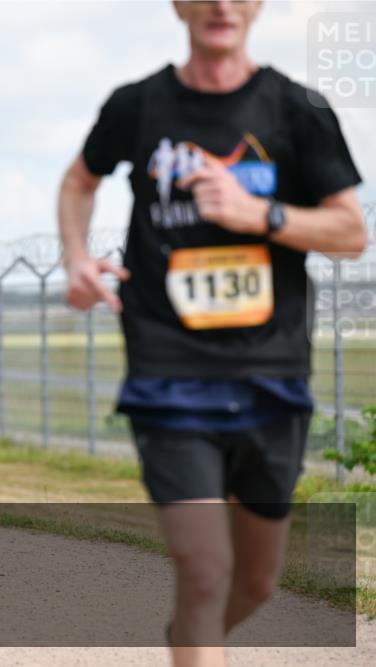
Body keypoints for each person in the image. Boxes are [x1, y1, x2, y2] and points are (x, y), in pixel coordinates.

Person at [57, 2, 367, 665]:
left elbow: (350, 231)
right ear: (179, 5)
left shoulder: (298, 110)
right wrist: (77, 259)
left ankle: (189, 642)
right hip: (168, 370)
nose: (221, 4)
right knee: (204, 569)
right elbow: (80, 181)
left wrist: (259, 212)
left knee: (254, 581)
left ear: (256, 6)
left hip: (271, 372)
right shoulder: (137, 106)